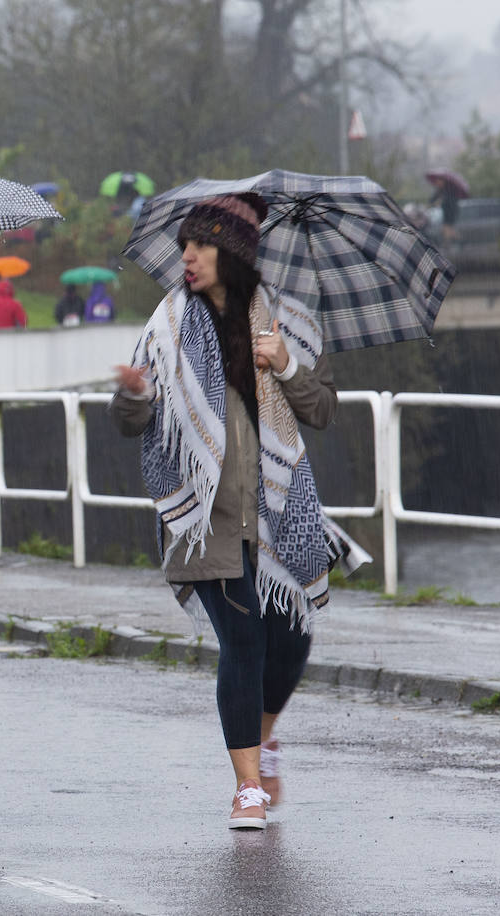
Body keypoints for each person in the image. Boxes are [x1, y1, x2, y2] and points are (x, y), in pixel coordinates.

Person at [109, 193, 348, 830]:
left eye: (203, 245)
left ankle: (262, 736)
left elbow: (322, 409)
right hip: (205, 522)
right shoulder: (167, 327)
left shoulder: (281, 323)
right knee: (242, 640)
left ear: (235, 252)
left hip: (277, 512)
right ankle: (246, 786)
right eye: (185, 244)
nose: (188, 256)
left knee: (291, 640)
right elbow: (133, 422)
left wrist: (285, 364)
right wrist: (132, 396)